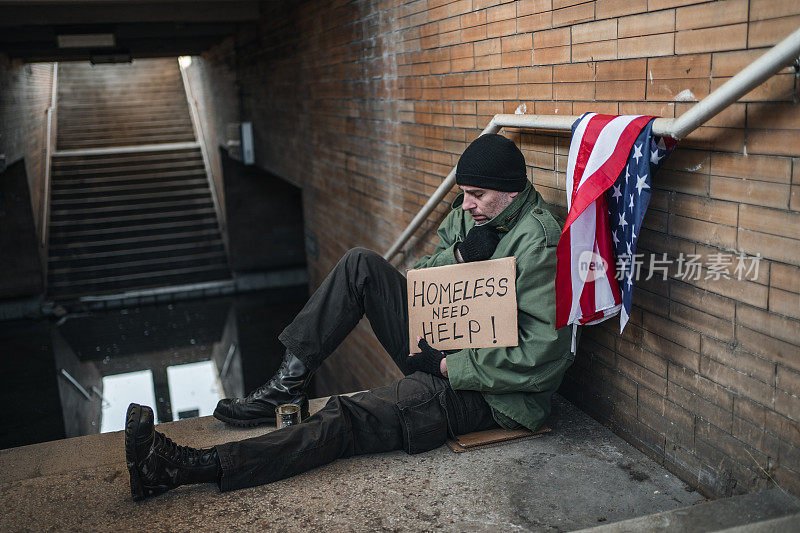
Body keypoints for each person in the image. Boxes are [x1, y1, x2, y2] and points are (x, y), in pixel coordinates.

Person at [125, 133, 574, 501]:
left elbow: (541, 357)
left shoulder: (540, 244)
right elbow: (425, 277)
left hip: (491, 396)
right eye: (463, 195)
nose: (466, 205)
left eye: (477, 195)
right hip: (441, 341)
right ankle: (288, 383)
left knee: (345, 417)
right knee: (361, 263)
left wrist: (444, 366)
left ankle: (184, 468)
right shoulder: (472, 217)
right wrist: (459, 254)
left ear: (510, 191)